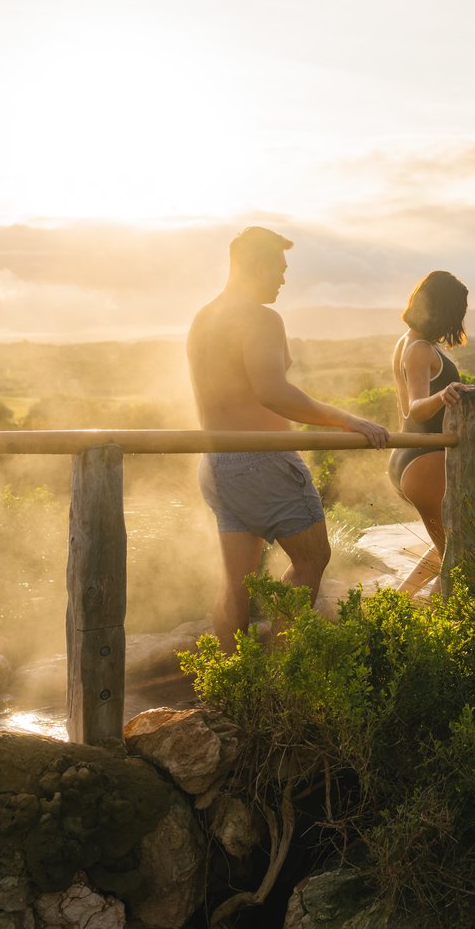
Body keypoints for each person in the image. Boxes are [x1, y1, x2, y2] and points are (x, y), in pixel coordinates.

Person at [187, 226, 388, 650]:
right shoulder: (260, 317)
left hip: (218, 463)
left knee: (236, 580)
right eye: (278, 270)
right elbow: (272, 391)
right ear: (257, 266)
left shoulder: (204, 318)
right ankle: (283, 676)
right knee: (312, 558)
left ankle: (233, 682)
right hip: (263, 461)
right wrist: (346, 420)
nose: (282, 279)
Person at [388, 270, 475, 596]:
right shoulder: (420, 349)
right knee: (460, 557)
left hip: (410, 459)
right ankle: (438, 625)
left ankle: (398, 600)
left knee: (449, 551)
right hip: (425, 461)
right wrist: (443, 395)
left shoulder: (405, 341)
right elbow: (415, 407)